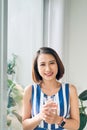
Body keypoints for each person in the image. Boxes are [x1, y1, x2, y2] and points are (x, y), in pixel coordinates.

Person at [22, 47, 80, 130]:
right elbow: (24, 126)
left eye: (52, 63)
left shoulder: (70, 89)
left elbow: (76, 125)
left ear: (57, 64)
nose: (48, 69)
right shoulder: (30, 90)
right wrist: (40, 116)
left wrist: (58, 120)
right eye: (42, 64)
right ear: (36, 68)